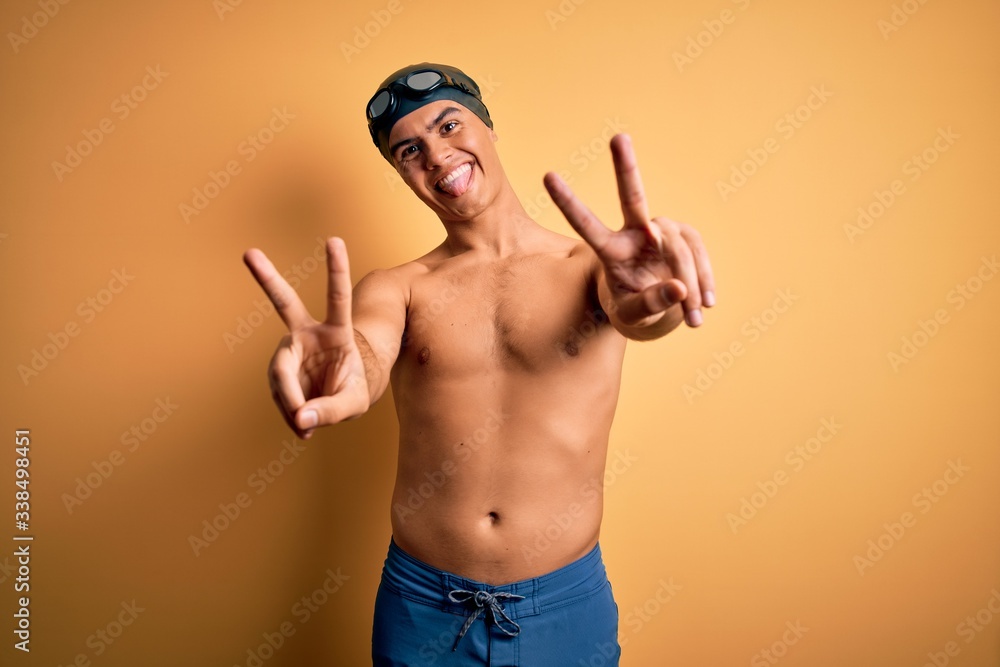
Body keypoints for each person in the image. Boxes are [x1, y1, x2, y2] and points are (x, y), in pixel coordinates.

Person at [243, 63, 715, 666]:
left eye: (449, 125)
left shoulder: (589, 267)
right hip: (422, 607)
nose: (438, 157)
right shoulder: (399, 287)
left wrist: (657, 297)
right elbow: (363, 353)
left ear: (488, 126)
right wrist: (338, 373)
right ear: (401, 173)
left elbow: (639, 313)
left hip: (565, 605)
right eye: (410, 150)